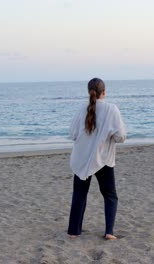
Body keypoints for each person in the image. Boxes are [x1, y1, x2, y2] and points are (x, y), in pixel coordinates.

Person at [68, 77, 126, 240]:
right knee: (110, 195)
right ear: (104, 92)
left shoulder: (82, 109)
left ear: (89, 92)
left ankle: (73, 231)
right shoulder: (111, 109)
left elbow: (73, 133)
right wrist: (107, 137)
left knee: (79, 193)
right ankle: (109, 232)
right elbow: (120, 136)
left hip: (81, 158)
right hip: (103, 159)